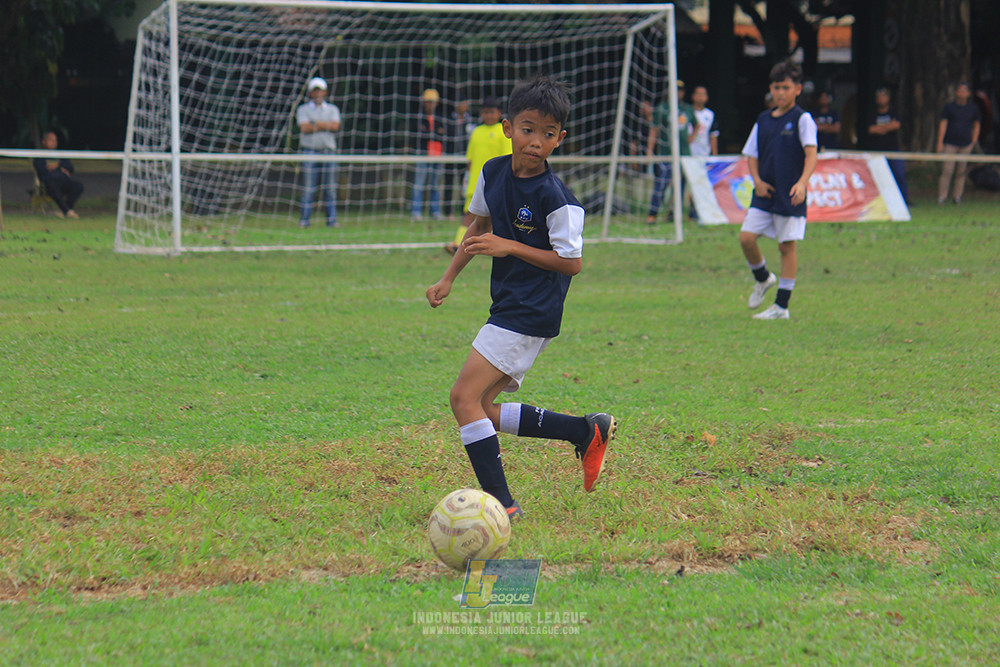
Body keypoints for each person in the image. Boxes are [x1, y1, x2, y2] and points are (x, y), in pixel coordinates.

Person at [425, 76, 616, 520]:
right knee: (482, 409)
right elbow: (479, 227)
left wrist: (510, 246)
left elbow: (571, 262)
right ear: (508, 128)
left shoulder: (557, 198)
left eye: (548, 134)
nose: (536, 142)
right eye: (528, 129)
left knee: (463, 399)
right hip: (509, 304)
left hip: (533, 309)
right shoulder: (493, 172)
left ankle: (503, 505)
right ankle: (584, 431)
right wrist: (448, 278)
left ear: (559, 139)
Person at [739, 60, 818, 321]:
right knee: (746, 238)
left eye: (786, 87)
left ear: (797, 89)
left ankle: (781, 306)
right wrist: (757, 181)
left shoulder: (802, 119)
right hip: (765, 193)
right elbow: (751, 154)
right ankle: (763, 278)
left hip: (789, 194)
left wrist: (802, 183)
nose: (780, 93)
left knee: (786, 247)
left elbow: (811, 154)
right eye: (776, 87)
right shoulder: (763, 119)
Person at [445, 97, 511, 255]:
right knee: (470, 214)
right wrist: (468, 177)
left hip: (497, 183)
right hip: (475, 182)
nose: (489, 115)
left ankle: (501, 246)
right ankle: (458, 243)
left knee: (500, 216)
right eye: (486, 112)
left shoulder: (503, 132)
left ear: (499, 113)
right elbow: (471, 159)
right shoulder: (476, 131)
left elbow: (508, 159)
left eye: (492, 112)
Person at [646, 80, 697, 224]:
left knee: (680, 186)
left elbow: (697, 125)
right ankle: (652, 214)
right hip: (666, 153)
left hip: (684, 154)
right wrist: (650, 150)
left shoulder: (687, 109)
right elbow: (654, 129)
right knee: (661, 183)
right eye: (675, 90)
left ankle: (673, 213)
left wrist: (691, 138)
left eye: (680, 90)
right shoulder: (662, 108)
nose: (678, 93)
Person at [296, 76, 342, 228]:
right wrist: (325, 125)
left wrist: (314, 123)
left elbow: (335, 126)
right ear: (310, 93)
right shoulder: (303, 109)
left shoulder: (333, 109)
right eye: (315, 91)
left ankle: (332, 221)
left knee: (330, 189)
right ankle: (305, 220)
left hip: (329, 152)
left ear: (325, 92)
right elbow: (305, 128)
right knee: (308, 189)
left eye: (320, 91)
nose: (318, 94)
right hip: (309, 152)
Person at [937, 82, 982, 205]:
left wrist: (974, 141)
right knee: (947, 170)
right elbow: (943, 124)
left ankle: (957, 197)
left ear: (968, 93)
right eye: (960, 91)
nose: (962, 93)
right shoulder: (949, 107)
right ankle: (942, 197)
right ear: (956, 93)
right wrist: (940, 142)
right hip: (950, 143)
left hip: (966, 144)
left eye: (964, 91)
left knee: (961, 172)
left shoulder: (973, 108)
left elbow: (977, 124)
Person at [867, 88, 909, 204]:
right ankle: (879, 200)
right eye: (879, 97)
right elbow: (871, 129)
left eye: (884, 96)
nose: (882, 99)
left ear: (888, 98)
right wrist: (888, 126)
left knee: (899, 174)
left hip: (893, 149)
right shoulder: (872, 114)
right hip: (877, 150)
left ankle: (904, 199)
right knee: (877, 176)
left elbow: (896, 126)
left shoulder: (894, 112)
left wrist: (880, 128)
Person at [411, 88, 446, 219]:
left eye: (432, 101)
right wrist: (434, 134)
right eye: (428, 101)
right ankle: (416, 211)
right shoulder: (418, 117)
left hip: (438, 155)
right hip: (423, 154)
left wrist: (431, 134)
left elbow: (442, 135)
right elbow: (419, 135)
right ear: (424, 102)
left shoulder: (440, 118)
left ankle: (435, 211)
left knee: (435, 185)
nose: (430, 104)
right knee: (419, 184)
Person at [32, 131, 83, 219]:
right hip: (49, 183)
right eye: (51, 140)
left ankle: (65, 210)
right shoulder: (39, 156)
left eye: (55, 140)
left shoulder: (60, 154)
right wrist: (60, 169)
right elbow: (42, 170)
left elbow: (70, 168)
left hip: (63, 181)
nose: (54, 143)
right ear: (44, 142)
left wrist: (58, 165)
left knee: (78, 186)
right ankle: (67, 211)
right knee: (51, 184)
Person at [446, 97, 477, 217]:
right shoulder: (448, 120)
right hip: (449, 156)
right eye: (461, 104)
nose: (463, 106)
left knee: (464, 184)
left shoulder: (471, 121)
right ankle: (448, 211)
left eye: (465, 104)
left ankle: (463, 210)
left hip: (464, 157)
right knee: (448, 183)